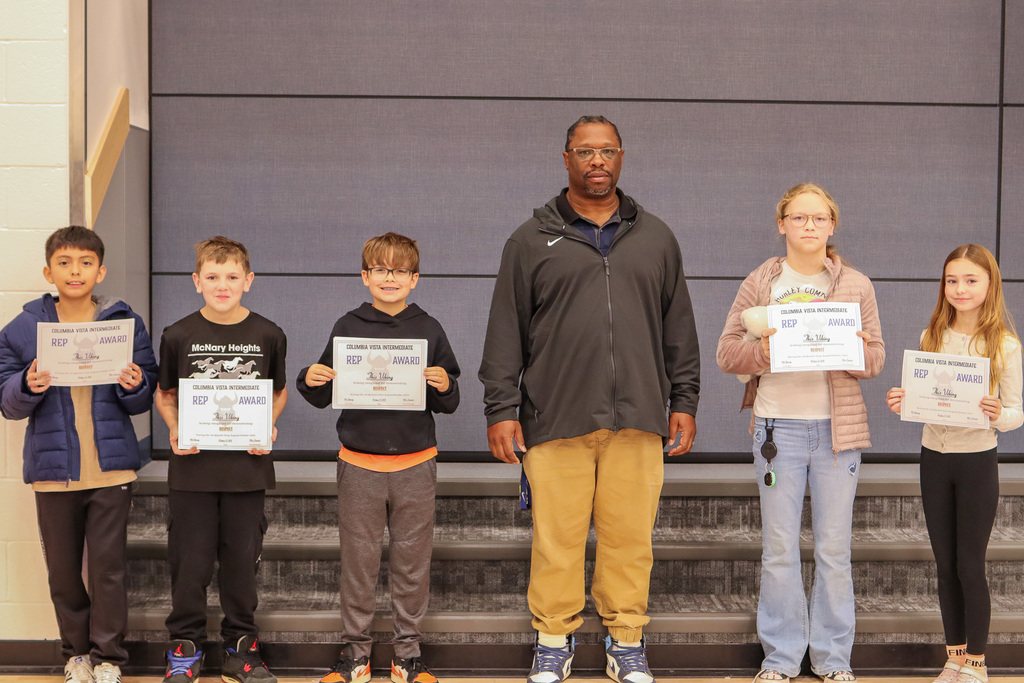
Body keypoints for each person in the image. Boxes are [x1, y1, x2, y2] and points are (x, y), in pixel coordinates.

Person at [479, 115, 700, 683]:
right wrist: (501, 409)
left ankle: (626, 641)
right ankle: (553, 640)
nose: (596, 161)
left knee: (630, 540)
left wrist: (685, 399)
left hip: (640, 418)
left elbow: (679, 328)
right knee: (557, 540)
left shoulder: (656, 238)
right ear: (566, 158)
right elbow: (506, 330)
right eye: (585, 152)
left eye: (606, 151)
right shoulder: (529, 241)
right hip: (555, 418)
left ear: (622, 157)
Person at [717, 183, 885, 683]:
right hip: (776, 431)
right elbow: (728, 354)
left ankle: (832, 660)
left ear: (832, 226)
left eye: (818, 219)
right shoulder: (761, 281)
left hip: (838, 434)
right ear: (781, 224)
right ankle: (781, 658)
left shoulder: (856, 284)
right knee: (779, 548)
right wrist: (769, 350)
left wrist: (853, 351)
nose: (808, 227)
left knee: (834, 551)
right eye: (798, 217)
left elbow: (875, 359)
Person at [297, 232, 460, 683]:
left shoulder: (429, 328)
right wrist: (309, 377)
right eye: (381, 270)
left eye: (400, 271)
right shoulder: (347, 326)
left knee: (412, 562)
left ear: (415, 279)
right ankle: (356, 655)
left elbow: (450, 399)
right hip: (359, 465)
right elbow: (322, 390)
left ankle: (407, 655)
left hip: (415, 464)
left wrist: (444, 384)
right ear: (365, 276)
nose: (390, 278)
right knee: (358, 563)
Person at [0, 226, 158, 683]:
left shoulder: (124, 323)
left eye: (86, 262)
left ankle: (109, 658)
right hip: (54, 474)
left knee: (108, 572)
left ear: (100, 270)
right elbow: (7, 402)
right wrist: (26, 385)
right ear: (49, 271)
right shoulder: (22, 329)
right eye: (65, 263)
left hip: (111, 472)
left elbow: (142, 396)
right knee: (64, 575)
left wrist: (136, 385)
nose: (75, 271)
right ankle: (76, 656)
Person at [885, 244, 1022, 683]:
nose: (959, 289)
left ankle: (978, 662)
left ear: (989, 285)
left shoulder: (1003, 343)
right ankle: (954, 657)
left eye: (970, 280)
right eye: (951, 280)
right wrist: (903, 401)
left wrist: (996, 411)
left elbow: (1017, 412)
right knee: (944, 563)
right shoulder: (932, 336)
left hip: (977, 461)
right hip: (934, 458)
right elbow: (924, 399)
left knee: (969, 564)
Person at [154, 236, 288, 683]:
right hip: (192, 471)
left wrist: (267, 425)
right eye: (212, 277)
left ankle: (241, 650)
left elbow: (278, 391)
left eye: (232, 277)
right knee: (189, 565)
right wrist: (174, 427)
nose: (222, 285)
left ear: (248, 281)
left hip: (246, 471)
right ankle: (185, 648)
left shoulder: (269, 334)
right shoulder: (177, 334)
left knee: (240, 567)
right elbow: (166, 393)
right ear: (196, 282)